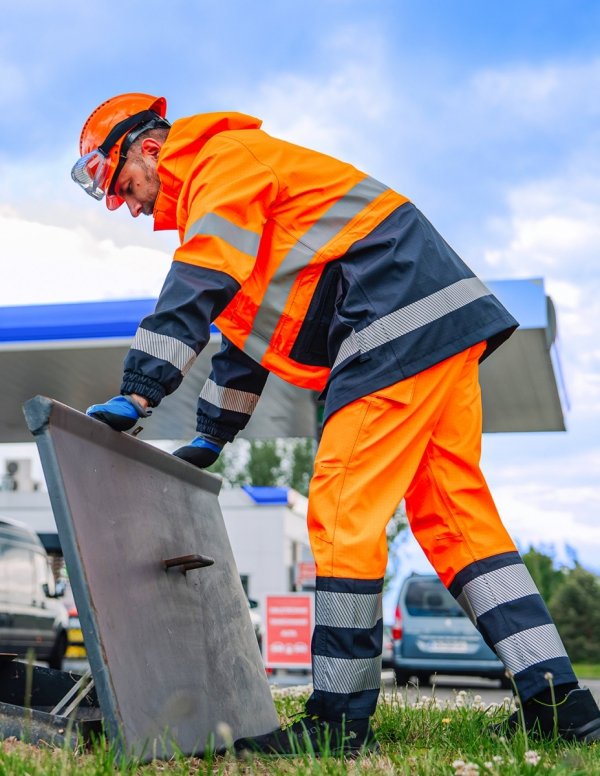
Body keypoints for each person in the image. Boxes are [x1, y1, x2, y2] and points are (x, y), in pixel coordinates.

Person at [73, 92, 600, 755]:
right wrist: (212, 435)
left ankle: (338, 724)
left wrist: (140, 390)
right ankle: (561, 704)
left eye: (115, 183)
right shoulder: (234, 190)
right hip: (433, 324)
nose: (122, 203)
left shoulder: (216, 161)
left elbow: (201, 278)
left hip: (389, 321)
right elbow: (247, 340)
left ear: (148, 149)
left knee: (342, 507)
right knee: (456, 522)